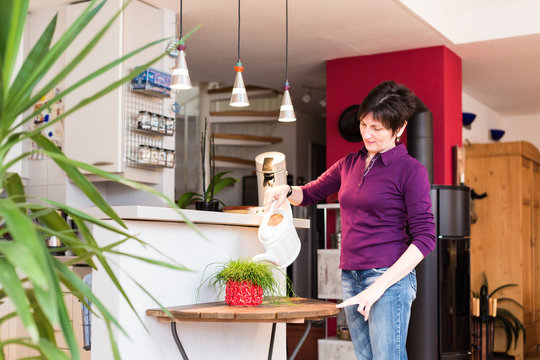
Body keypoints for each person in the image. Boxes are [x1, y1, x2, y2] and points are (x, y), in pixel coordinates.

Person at [264, 80, 436, 359]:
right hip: (351, 275)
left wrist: (379, 287)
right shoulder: (349, 164)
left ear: (400, 129)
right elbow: (309, 193)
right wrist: (286, 190)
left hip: (387, 279)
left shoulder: (410, 170)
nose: (367, 134)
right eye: (364, 124)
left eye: (377, 128)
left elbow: (426, 236)